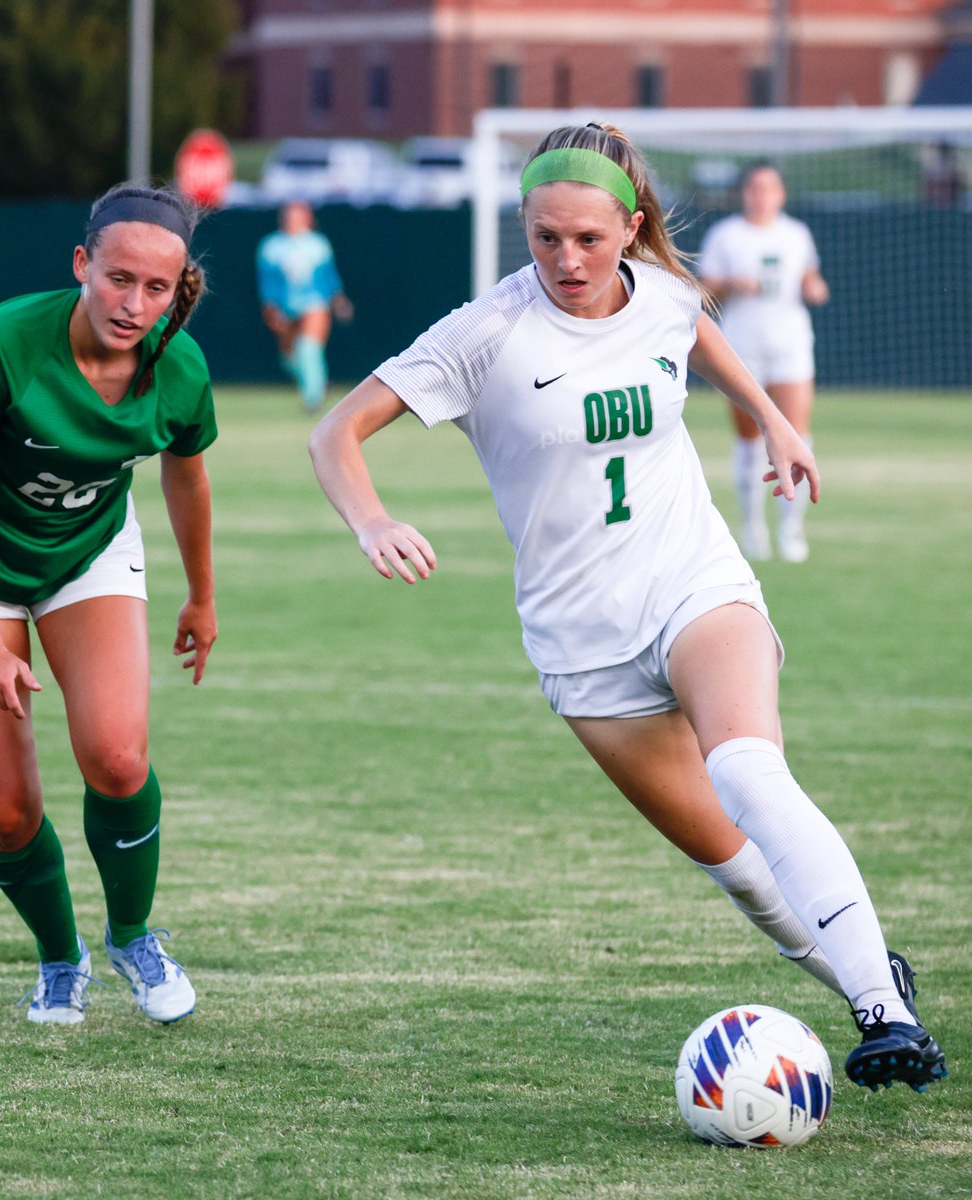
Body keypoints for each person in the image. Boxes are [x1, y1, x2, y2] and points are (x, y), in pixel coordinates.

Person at [308, 123, 946, 1094]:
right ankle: (872, 981)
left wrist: (774, 420)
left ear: (631, 228)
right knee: (741, 872)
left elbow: (697, 331)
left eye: (589, 239)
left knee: (748, 770)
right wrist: (371, 520)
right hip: (582, 644)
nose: (567, 260)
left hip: (693, 582)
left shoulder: (664, 295)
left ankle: (882, 1013)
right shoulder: (487, 332)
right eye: (545, 238)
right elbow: (336, 432)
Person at [0, 182, 218, 1026]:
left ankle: (133, 938)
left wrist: (201, 595)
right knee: (7, 813)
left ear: (176, 289)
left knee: (117, 758)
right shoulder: (3, 343)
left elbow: (187, 478)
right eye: (119, 279)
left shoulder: (180, 369)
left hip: (86, 551)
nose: (133, 304)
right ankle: (57, 958)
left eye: (156, 288)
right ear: (82, 265)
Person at [697, 163, 829, 563]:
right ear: (744, 193)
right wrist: (731, 283)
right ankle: (753, 528)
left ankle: (791, 530)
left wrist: (814, 287)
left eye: (769, 188)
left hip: (790, 343)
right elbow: (703, 291)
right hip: (741, 345)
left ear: (781, 194)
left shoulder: (796, 234)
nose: (761, 195)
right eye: (754, 187)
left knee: (796, 433)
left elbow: (810, 278)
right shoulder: (726, 235)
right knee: (750, 437)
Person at [256, 199, 353, 414]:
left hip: (314, 303)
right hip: (285, 307)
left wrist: (339, 301)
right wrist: (271, 308)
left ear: (308, 218)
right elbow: (268, 282)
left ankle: (313, 397)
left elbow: (328, 278)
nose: (293, 220)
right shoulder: (271, 246)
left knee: (309, 348)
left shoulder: (318, 245)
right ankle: (317, 381)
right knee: (289, 358)